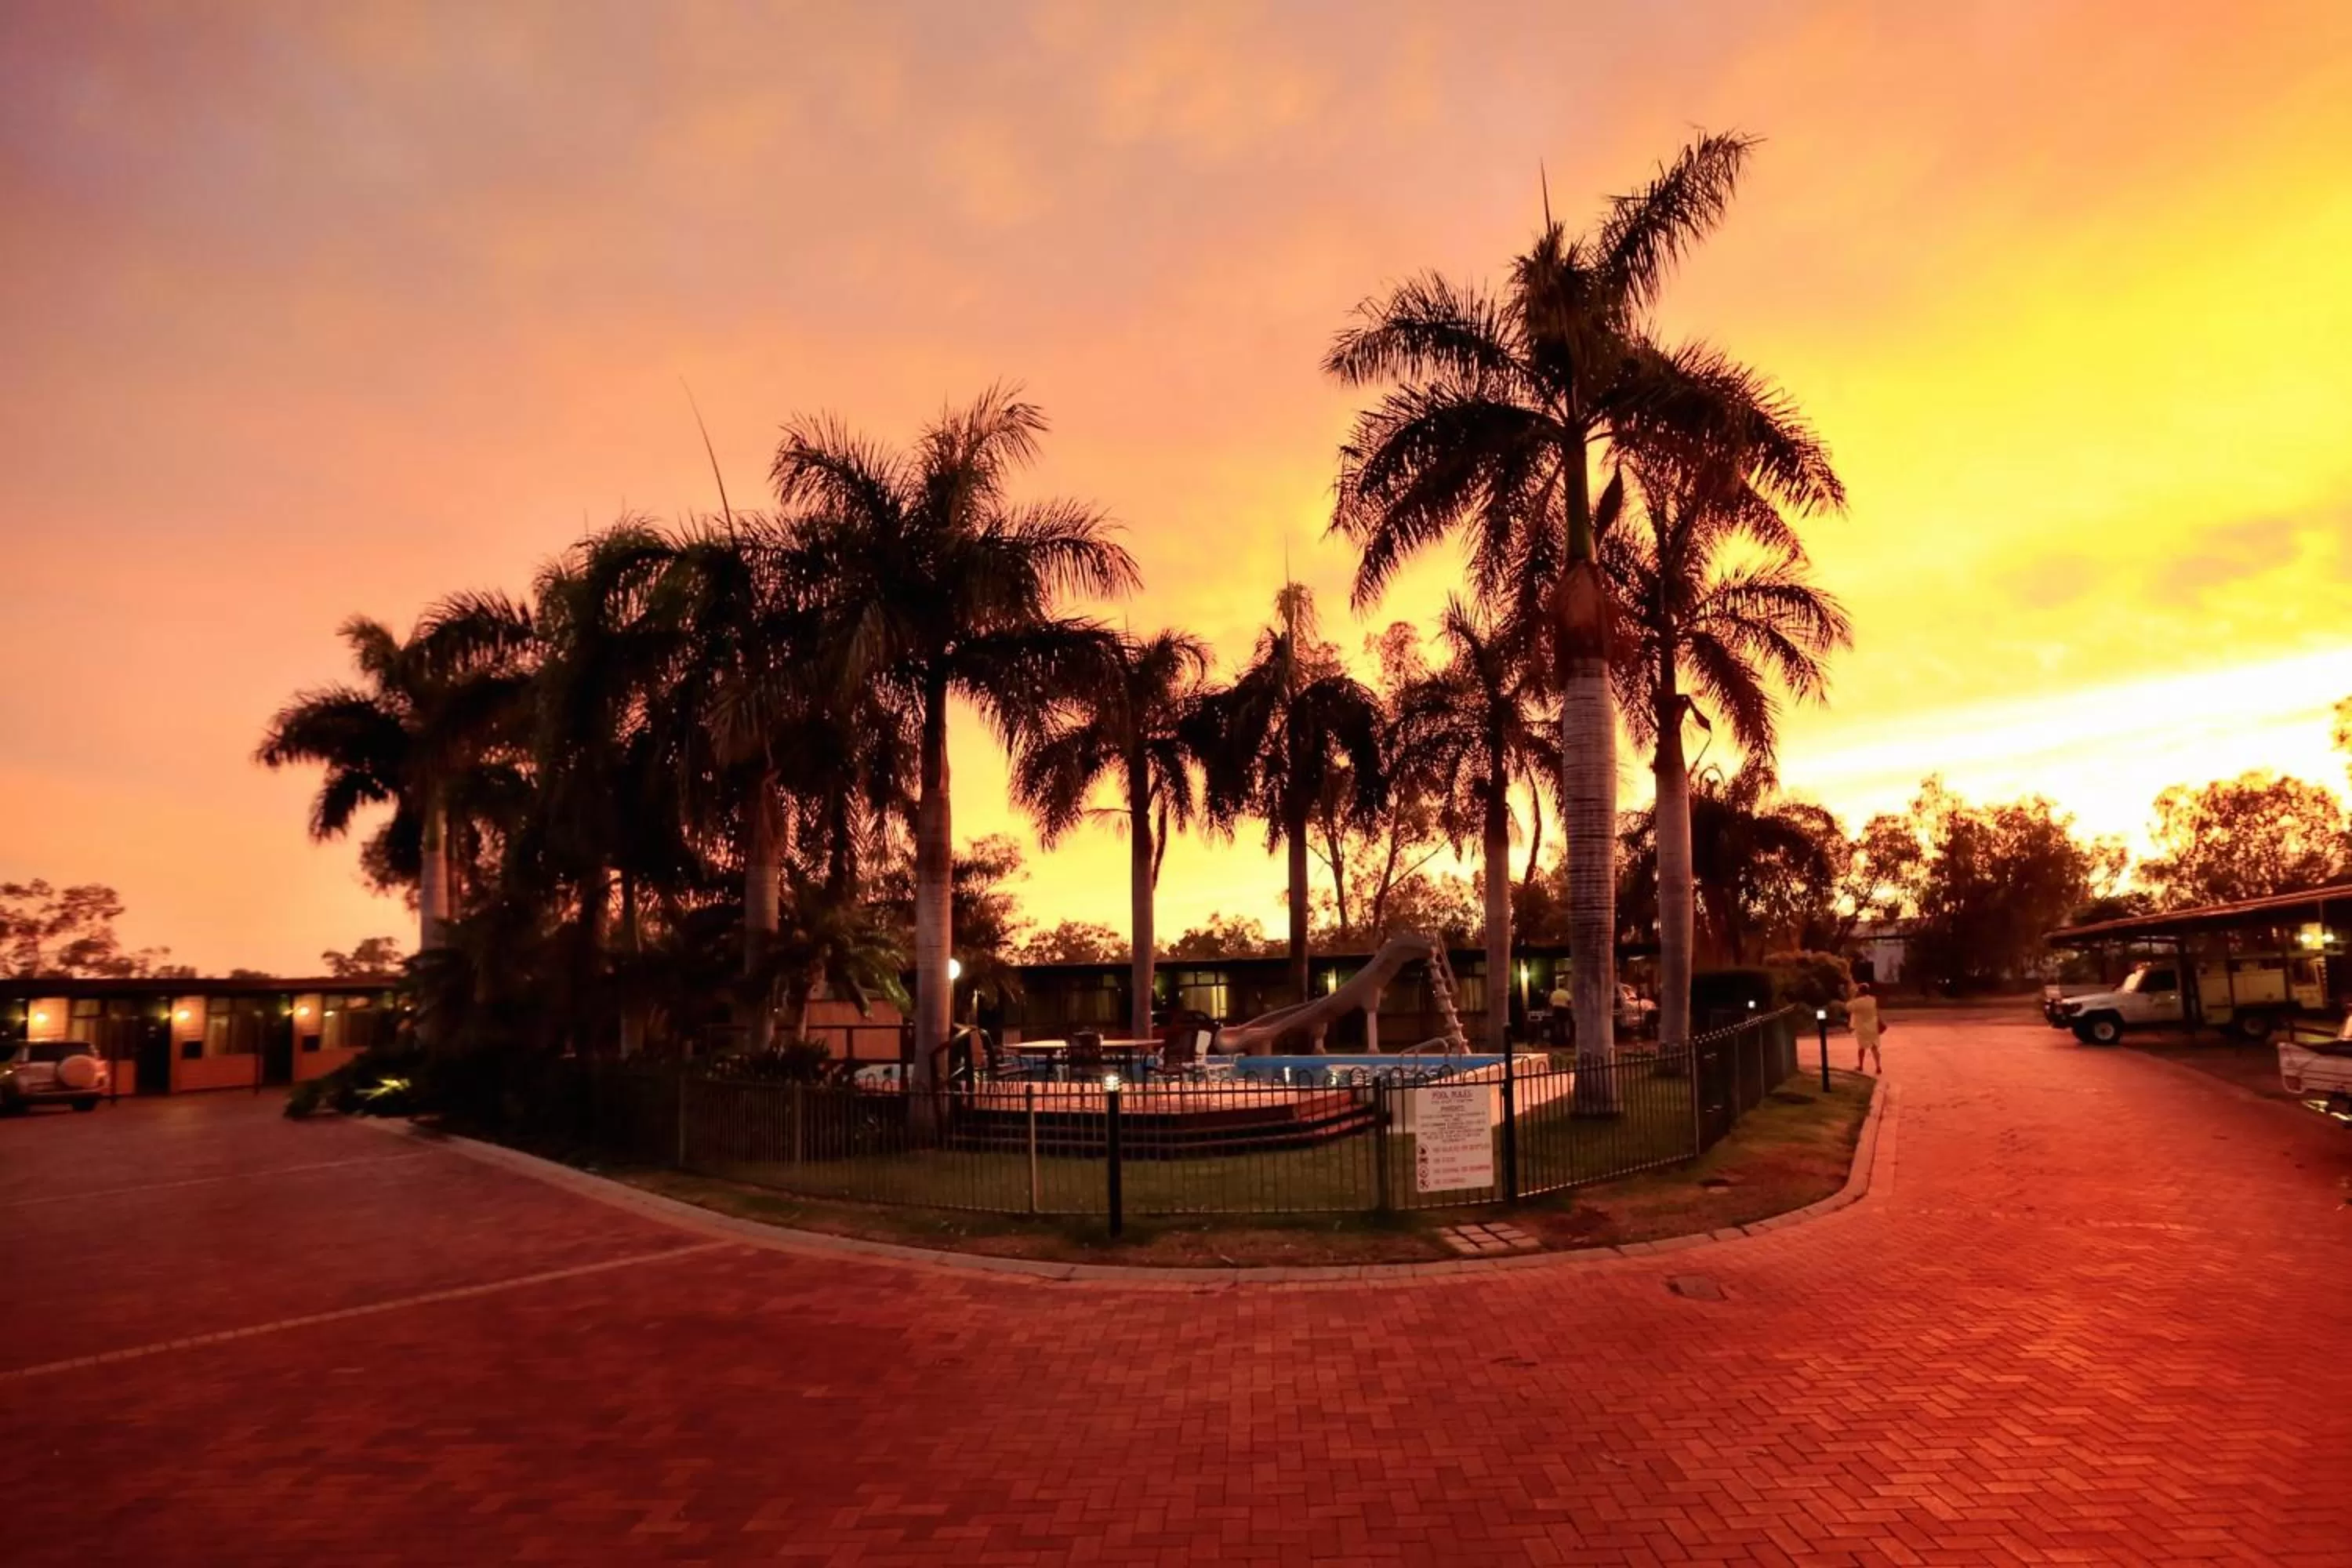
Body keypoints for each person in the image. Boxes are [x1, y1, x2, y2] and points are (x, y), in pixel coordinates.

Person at [1849, 982, 1885, 1073]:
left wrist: (1853, 996)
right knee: (1874, 1047)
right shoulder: (1873, 1000)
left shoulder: (1857, 1002)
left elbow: (1848, 1007)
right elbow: (1876, 1011)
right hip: (1873, 1026)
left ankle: (1861, 1065)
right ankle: (1878, 1066)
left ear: (1860, 992)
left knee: (1861, 1048)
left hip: (1862, 1027)